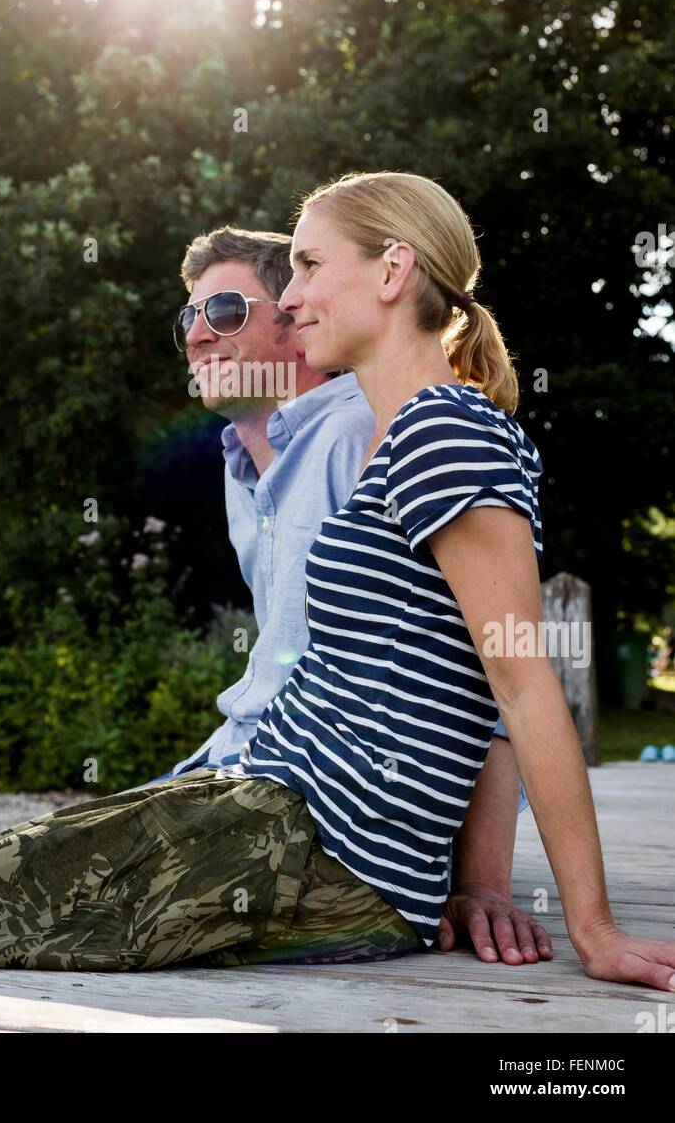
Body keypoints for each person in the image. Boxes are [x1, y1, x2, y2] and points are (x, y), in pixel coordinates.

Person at [0, 171, 675, 993]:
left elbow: (522, 684)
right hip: (272, 816)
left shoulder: (444, 431)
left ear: (393, 269)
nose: (293, 296)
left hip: (309, 848)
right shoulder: (400, 434)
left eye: (308, 266)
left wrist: (588, 927)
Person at [136, 222, 544, 966]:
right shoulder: (242, 466)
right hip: (248, 770)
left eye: (223, 312)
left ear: (295, 321)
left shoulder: (369, 435)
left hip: (340, 824)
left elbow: (491, 670)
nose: (197, 336)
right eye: (187, 319)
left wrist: (483, 884)